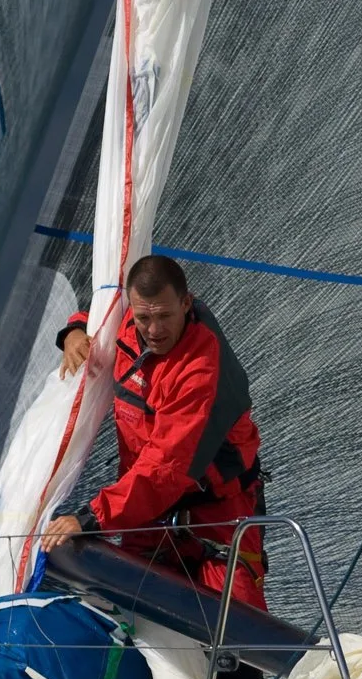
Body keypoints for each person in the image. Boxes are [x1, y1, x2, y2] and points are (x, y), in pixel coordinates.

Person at [40, 253, 267, 609]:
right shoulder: (128, 322)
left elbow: (166, 467)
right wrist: (74, 332)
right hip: (143, 509)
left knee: (237, 631)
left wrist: (91, 517)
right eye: (144, 318)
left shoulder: (200, 367)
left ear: (186, 303)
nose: (155, 330)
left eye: (165, 316)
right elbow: (100, 310)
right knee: (130, 610)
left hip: (217, 512)